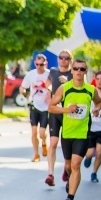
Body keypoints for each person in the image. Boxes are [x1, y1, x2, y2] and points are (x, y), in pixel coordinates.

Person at [47, 58, 101, 200]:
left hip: (82, 133)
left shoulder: (91, 90)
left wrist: (96, 109)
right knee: (68, 165)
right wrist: (66, 109)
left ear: (85, 72)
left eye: (82, 69)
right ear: (72, 71)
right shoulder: (64, 88)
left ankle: (70, 198)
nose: (78, 71)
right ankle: (70, 180)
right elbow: (51, 107)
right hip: (67, 132)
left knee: (76, 164)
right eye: (76, 68)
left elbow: (99, 102)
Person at [44, 50, 73, 187]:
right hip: (55, 111)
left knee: (67, 145)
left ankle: (67, 169)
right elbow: (48, 83)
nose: (63, 60)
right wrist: (49, 90)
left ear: (70, 60)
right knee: (53, 143)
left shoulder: (74, 73)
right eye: (61, 57)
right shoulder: (53, 71)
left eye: (66, 58)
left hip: (69, 113)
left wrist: (68, 82)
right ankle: (50, 174)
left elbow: (81, 87)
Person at [20, 54, 50, 161]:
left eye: (41, 64)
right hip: (34, 105)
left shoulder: (49, 74)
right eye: (37, 64)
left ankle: (44, 142)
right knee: (34, 131)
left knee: (42, 132)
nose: (39, 67)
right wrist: (25, 94)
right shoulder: (31, 74)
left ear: (46, 64)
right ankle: (36, 154)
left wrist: (50, 94)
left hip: (45, 107)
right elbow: (22, 87)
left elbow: (54, 88)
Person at [83, 70, 101, 183]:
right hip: (91, 127)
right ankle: (88, 157)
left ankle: (94, 173)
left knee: (99, 151)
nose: (99, 81)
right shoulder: (90, 93)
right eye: (97, 79)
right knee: (89, 153)